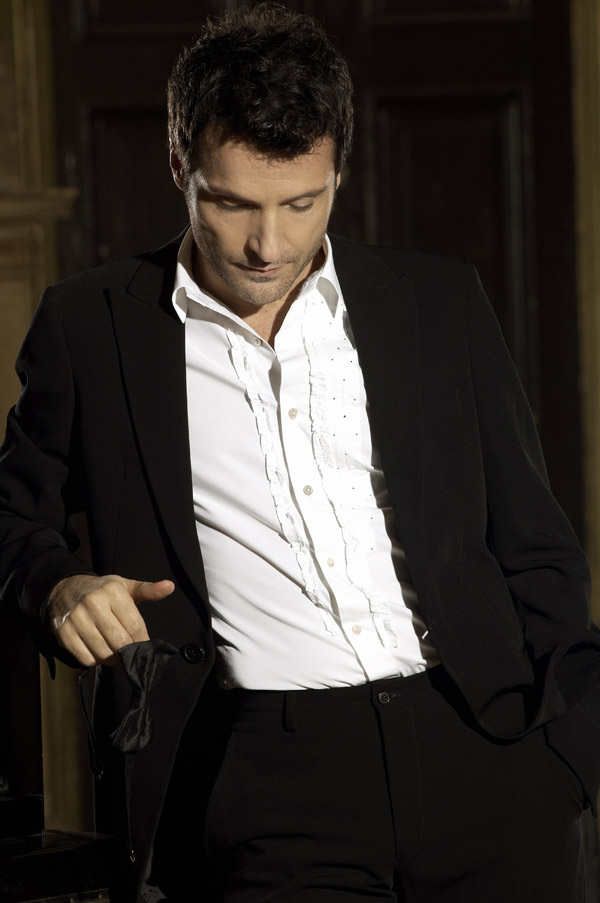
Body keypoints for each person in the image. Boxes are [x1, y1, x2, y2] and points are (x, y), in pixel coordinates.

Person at [0, 4, 598, 902]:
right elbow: (11, 514)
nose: (267, 245)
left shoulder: (436, 301)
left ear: (338, 172)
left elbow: (535, 542)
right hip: (271, 782)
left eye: (301, 203)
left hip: (489, 747)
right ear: (180, 166)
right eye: (232, 203)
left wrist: (570, 754)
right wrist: (59, 584)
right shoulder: (92, 326)